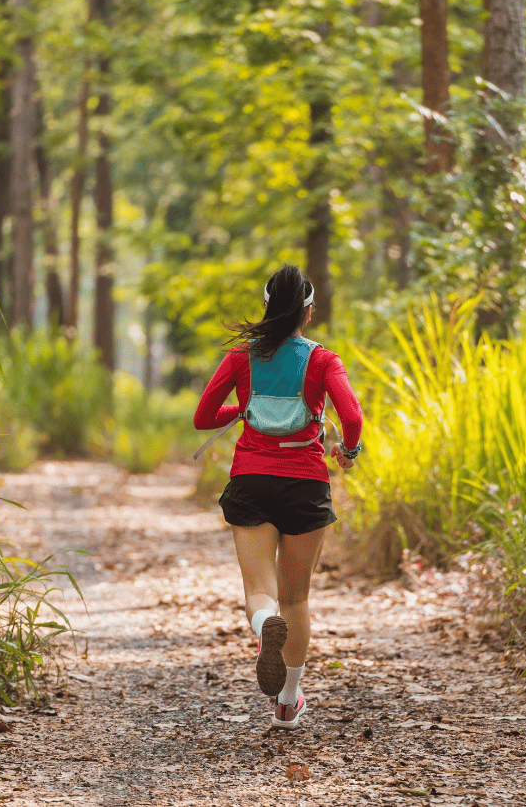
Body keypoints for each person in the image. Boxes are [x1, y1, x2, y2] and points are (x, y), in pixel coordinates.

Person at [192, 265, 363, 730]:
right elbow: (352, 416)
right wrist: (347, 451)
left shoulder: (240, 358)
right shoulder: (325, 360)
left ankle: (263, 622)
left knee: (261, 593)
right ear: (308, 311)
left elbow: (203, 417)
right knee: (298, 597)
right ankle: (288, 700)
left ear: (267, 307)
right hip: (306, 482)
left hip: (251, 479)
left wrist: (243, 409)